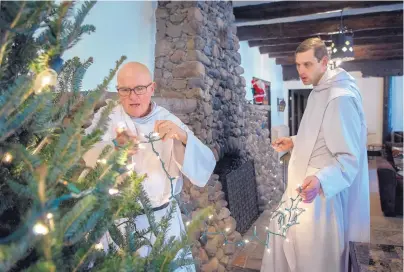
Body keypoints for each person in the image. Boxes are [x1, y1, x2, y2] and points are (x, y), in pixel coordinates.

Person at [82, 62, 216, 271]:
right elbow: (87, 150)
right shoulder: (108, 116)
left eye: (139, 89)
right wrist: (114, 147)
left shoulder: (167, 119)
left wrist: (182, 136)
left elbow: (205, 162)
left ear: (152, 88)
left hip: (161, 222)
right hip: (117, 223)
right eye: (125, 90)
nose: (132, 96)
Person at [261, 38, 370, 272]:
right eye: (298, 65)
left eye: (307, 64)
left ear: (324, 62)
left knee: (313, 262)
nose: (301, 71)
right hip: (300, 192)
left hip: (319, 200)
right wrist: (293, 141)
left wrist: (321, 180)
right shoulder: (319, 91)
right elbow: (321, 137)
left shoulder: (340, 97)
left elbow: (349, 158)